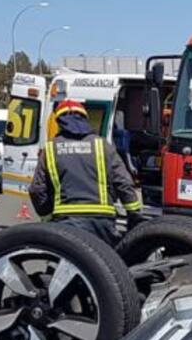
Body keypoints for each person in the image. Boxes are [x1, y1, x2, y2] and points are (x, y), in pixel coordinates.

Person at [28, 98, 141, 245]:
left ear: (59, 122)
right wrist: (134, 214)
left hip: (66, 221)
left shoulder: (51, 148)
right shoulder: (103, 146)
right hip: (103, 223)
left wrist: (47, 216)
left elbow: (37, 189)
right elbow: (124, 182)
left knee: (66, 263)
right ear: (85, 118)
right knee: (105, 264)